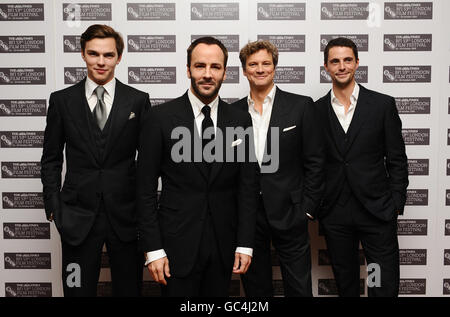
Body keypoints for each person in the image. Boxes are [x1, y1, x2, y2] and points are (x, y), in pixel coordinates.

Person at [137, 37, 259, 296]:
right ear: (188, 69)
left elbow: (248, 187)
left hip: (224, 247)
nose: (207, 74)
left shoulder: (240, 119)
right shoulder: (159, 118)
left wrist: (245, 244)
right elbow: (144, 190)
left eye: (215, 67)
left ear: (225, 72)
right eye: (200, 66)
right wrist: (154, 249)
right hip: (174, 248)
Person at [41, 24, 150, 296]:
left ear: (119, 57)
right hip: (76, 216)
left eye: (108, 55)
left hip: (126, 217)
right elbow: (51, 158)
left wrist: (145, 211)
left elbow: (148, 162)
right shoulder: (62, 101)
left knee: (129, 291)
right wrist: (54, 205)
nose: (101, 62)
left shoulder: (138, 101)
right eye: (93, 54)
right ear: (82, 54)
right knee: (76, 291)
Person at [315, 37, 408, 297]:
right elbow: (314, 162)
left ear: (357, 63)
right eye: (335, 61)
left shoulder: (381, 105)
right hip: (336, 213)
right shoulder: (316, 111)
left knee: (379, 281)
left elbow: (397, 160)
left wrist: (395, 204)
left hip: (376, 212)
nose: (341, 66)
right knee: (345, 283)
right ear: (326, 67)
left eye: (347, 60)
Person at [233, 40, 325, 297]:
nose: (260, 69)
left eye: (266, 63)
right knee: (256, 290)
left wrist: (306, 209)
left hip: (291, 212)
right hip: (248, 217)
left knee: (299, 288)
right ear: (244, 70)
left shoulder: (301, 106)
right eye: (253, 64)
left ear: (275, 68)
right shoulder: (231, 113)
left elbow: (316, 161)